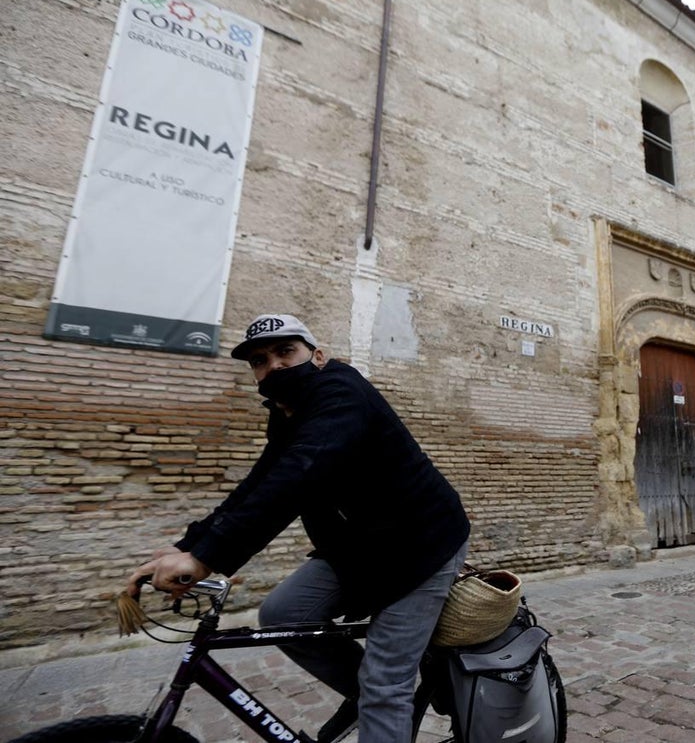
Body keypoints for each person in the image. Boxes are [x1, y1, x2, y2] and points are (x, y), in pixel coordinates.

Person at [127, 313, 471, 742]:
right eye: (260, 360)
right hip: (360, 544)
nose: (274, 365)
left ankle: (382, 700)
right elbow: (260, 484)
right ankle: (367, 696)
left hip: (420, 545)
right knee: (282, 615)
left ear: (318, 356)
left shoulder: (341, 393)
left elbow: (299, 474)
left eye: (285, 351)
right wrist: (190, 547)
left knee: (386, 683)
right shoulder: (288, 415)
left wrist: (207, 558)